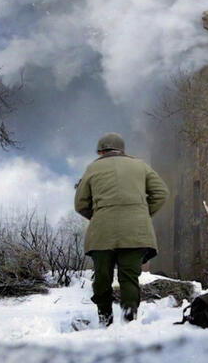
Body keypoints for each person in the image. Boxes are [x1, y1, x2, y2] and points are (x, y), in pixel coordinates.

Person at [74, 132, 168, 326]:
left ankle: (104, 318)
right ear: (122, 150)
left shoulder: (92, 168)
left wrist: (99, 215)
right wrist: (142, 213)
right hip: (136, 232)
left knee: (102, 278)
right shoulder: (140, 166)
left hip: (102, 234)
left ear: (101, 151)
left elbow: (80, 204)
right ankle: (129, 319)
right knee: (129, 278)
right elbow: (161, 193)